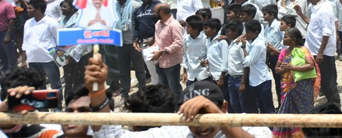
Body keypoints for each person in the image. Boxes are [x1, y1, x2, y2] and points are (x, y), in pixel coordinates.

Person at [85, 54, 272, 137]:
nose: (200, 125)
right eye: (192, 116)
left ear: (223, 108)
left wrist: (221, 120)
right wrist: (97, 90)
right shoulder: (176, 132)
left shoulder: (251, 126)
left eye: (206, 114)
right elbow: (112, 137)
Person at [272, 28, 320, 138]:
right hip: (287, 88)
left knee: (304, 113)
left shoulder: (304, 50)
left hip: (302, 87)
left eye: (285, 37)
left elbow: (310, 66)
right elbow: (277, 69)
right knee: (287, 114)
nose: (283, 39)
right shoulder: (284, 52)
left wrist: (292, 67)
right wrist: (285, 69)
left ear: (293, 40)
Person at [22, 0, 62, 108]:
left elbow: (59, 40)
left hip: (48, 60)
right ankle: (42, 109)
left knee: (55, 86)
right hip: (32, 60)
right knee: (38, 86)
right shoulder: (28, 23)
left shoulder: (51, 22)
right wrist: (24, 60)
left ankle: (57, 109)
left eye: (30, 8)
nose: (28, 10)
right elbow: (25, 42)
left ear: (38, 9)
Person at [305, 0, 340, 105]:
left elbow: (326, 32)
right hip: (315, 50)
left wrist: (320, 52)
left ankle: (335, 104)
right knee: (321, 80)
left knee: (327, 81)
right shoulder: (317, 7)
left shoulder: (324, 9)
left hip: (322, 52)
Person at [114, 0, 147, 102]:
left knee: (139, 70)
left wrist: (138, 39)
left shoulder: (135, 6)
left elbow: (140, 24)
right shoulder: (114, 6)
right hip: (120, 43)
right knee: (123, 71)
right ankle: (124, 94)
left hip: (134, 42)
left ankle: (142, 92)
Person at [152, 3, 183, 108]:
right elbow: (158, 41)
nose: (153, 14)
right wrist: (151, 50)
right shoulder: (158, 24)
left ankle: (178, 112)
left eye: (155, 12)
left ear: (161, 12)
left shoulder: (174, 25)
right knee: (163, 89)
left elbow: (178, 43)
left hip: (171, 63)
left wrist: (162, 52)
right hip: (159, 62)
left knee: (174, 89)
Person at [241, 19, 275, 114]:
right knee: (261, 107)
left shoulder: (258, 44)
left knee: (268, 107)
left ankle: (273, 128)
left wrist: (244, 49)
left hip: (262, 79)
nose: (246, 34)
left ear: (255, 32)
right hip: (255, 80)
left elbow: (249, 61)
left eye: (248, 32)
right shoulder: (252, 43)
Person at [181, 15, 210, 86]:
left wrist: (206, 60)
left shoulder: (205, 38)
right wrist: (185, 72)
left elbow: (209, 53)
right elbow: (185, 55)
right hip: (191, 74)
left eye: (188, 27)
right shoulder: (186, 39)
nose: (186, 29)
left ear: (196, 28)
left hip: (203, 73)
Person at [0, 0, 17, 74]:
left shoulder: (7, 5)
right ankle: (5, 77)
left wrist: (8, 35)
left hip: (5, 33)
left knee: (11, 57)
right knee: (2, 58)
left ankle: (14, 75)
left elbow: (11, 20)